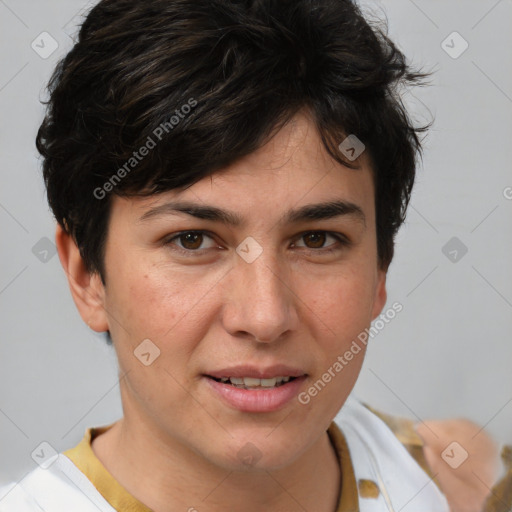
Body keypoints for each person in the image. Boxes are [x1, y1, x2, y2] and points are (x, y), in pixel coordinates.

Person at [0, 0, 510, 510]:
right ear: (87, 273)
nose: (265, 317)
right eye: (192, 240)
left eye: (316, 240)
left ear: (380, 270)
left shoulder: (461, 486)